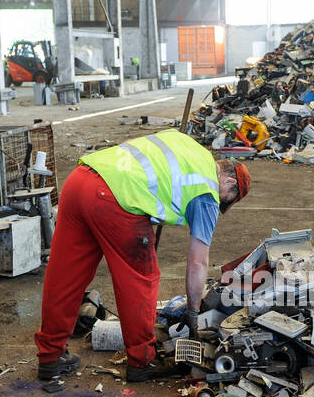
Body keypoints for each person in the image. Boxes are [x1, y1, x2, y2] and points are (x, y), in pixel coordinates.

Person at [34, 129, 251, 383]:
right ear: (229, 184)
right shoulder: (207, 193)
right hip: (115, 199)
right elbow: (198, 261)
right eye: (227, 200)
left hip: (81, 180)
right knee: (140, 280)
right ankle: (141, 361)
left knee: (65, 275)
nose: (221, 203)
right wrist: (193, 311)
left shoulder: (192, 149)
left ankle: (50, 356)